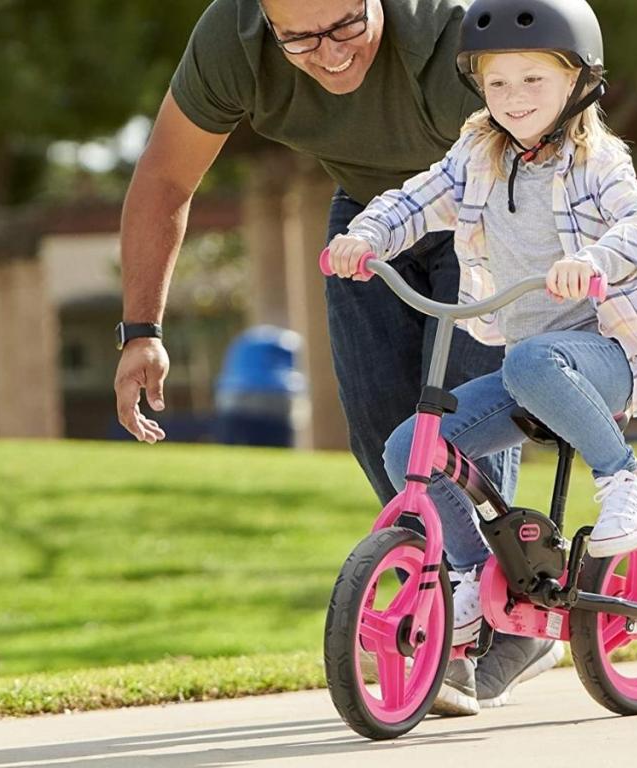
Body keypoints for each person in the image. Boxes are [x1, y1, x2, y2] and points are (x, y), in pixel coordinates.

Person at [111, 0, 554, 716]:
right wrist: (141, 329)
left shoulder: (455, 34)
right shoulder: (232, 39)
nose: (331, 53)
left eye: (347, 26)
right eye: (300, 40)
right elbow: (165, 177)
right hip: (371, 216)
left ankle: (490, 624)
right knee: (386, 436)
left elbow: (557, 150)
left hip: (492, 211)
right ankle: (448, 609)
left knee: (462, 425)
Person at [323, 0, 637, 713]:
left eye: (533, 80)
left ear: (578, 83)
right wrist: (366, 236)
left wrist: (595, 260)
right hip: (526, 371)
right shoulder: (476, 156)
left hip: (603, 358)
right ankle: (472, 573)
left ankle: (625, 478)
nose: (514, 98)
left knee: (531, 361)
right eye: (497, 83)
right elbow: (413, 201)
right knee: (410, 447)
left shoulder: (596, 161)